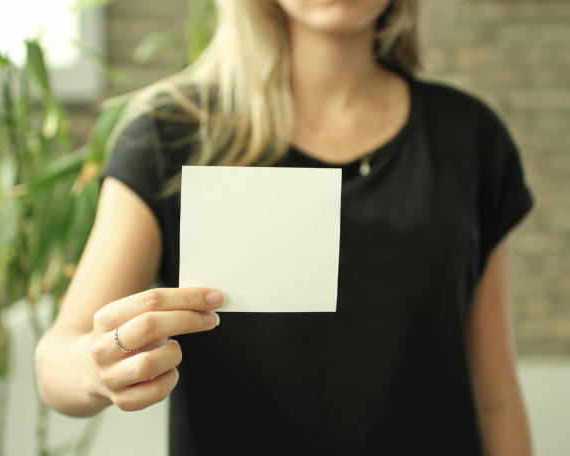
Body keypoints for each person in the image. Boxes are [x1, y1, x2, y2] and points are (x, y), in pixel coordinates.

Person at [34, 0, 535, 454]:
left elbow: (495, 397)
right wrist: (94, 368)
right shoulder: (170, 136)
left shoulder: (468, 140)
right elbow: (58, 358)